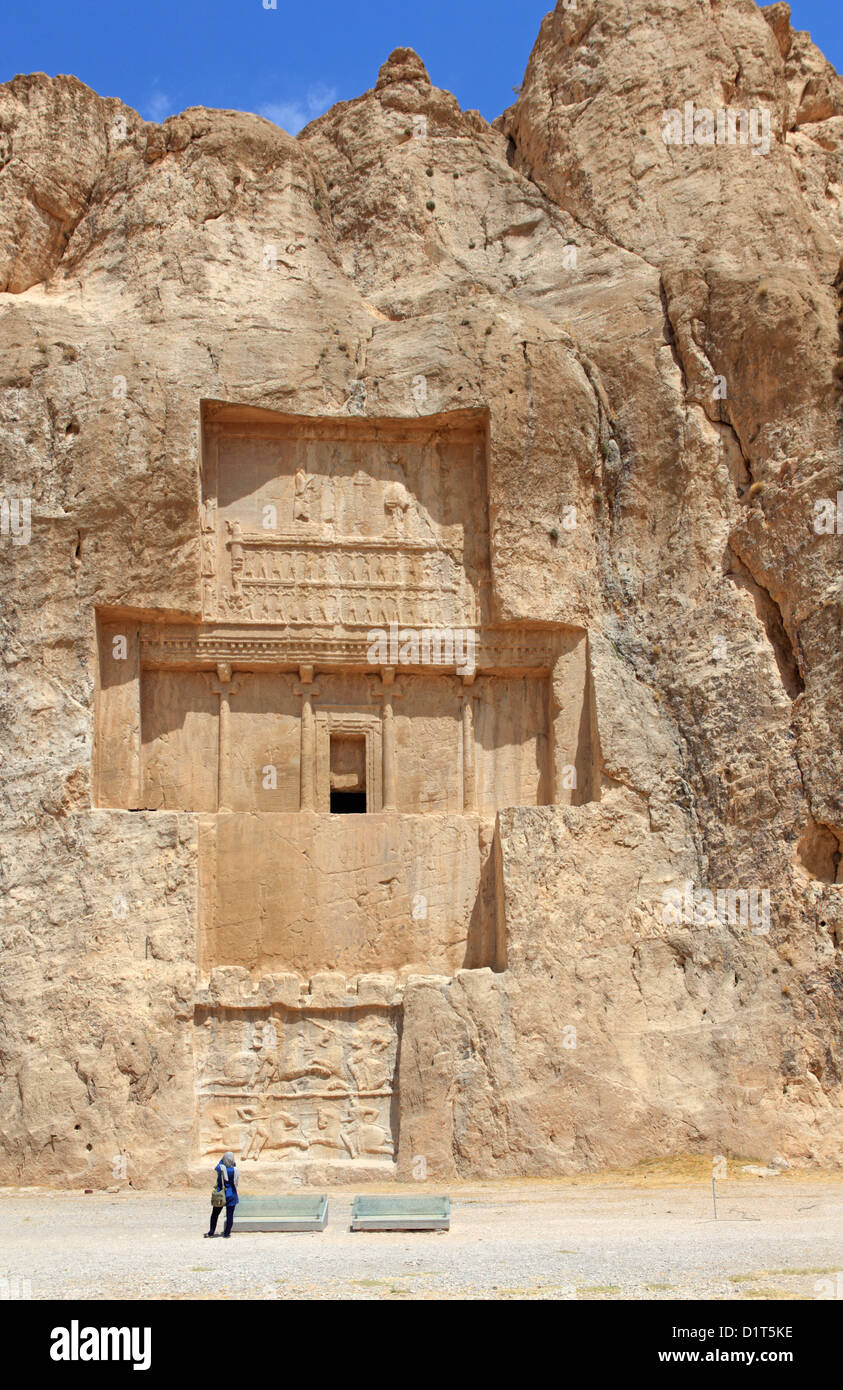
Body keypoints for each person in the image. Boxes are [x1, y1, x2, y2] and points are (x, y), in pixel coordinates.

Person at [205, 1151, 239, 1238]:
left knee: (215, 1214)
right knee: (230, 1216)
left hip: (221, 1194)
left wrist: (222, 1159)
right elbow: (234, 1164)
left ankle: (211, 1232)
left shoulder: (221, 1169)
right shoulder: (234, 1170)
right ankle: (227, 1233)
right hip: (232, 1194)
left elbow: (217, 1166)